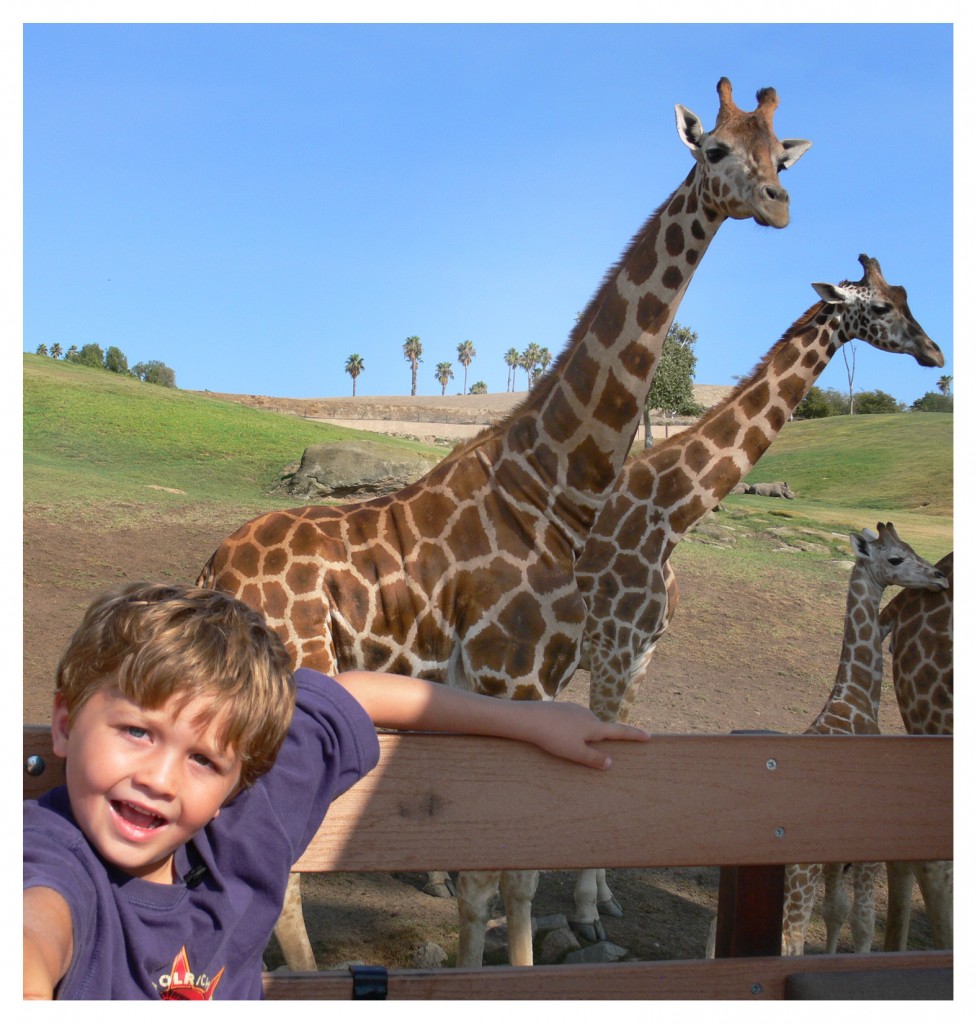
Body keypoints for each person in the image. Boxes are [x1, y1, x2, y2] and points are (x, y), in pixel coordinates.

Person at [24, 581, 649, 999]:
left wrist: (532, 718)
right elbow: (34, 931)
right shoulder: (52, 860)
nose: (159, 779)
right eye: (136, 731)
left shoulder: (251, 820)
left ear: (245, 770)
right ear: (65, 722)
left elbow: (353, 693)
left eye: (204, 760)